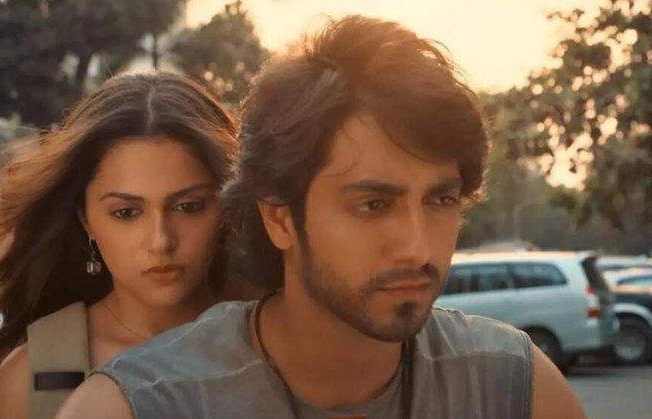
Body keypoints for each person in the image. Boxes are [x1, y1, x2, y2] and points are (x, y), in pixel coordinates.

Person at [56, 16, 587, 419]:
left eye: (440, 200)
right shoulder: (135, 405)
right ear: (280, 218)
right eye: (373, 205)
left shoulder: (512, 385)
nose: (418, 247)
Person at [0, 72, 239, 419]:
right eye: (126, 212)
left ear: (226, 205)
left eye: (189, 207)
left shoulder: (273, 342)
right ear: (86, 219)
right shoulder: (36, 374)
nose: (160, 241)